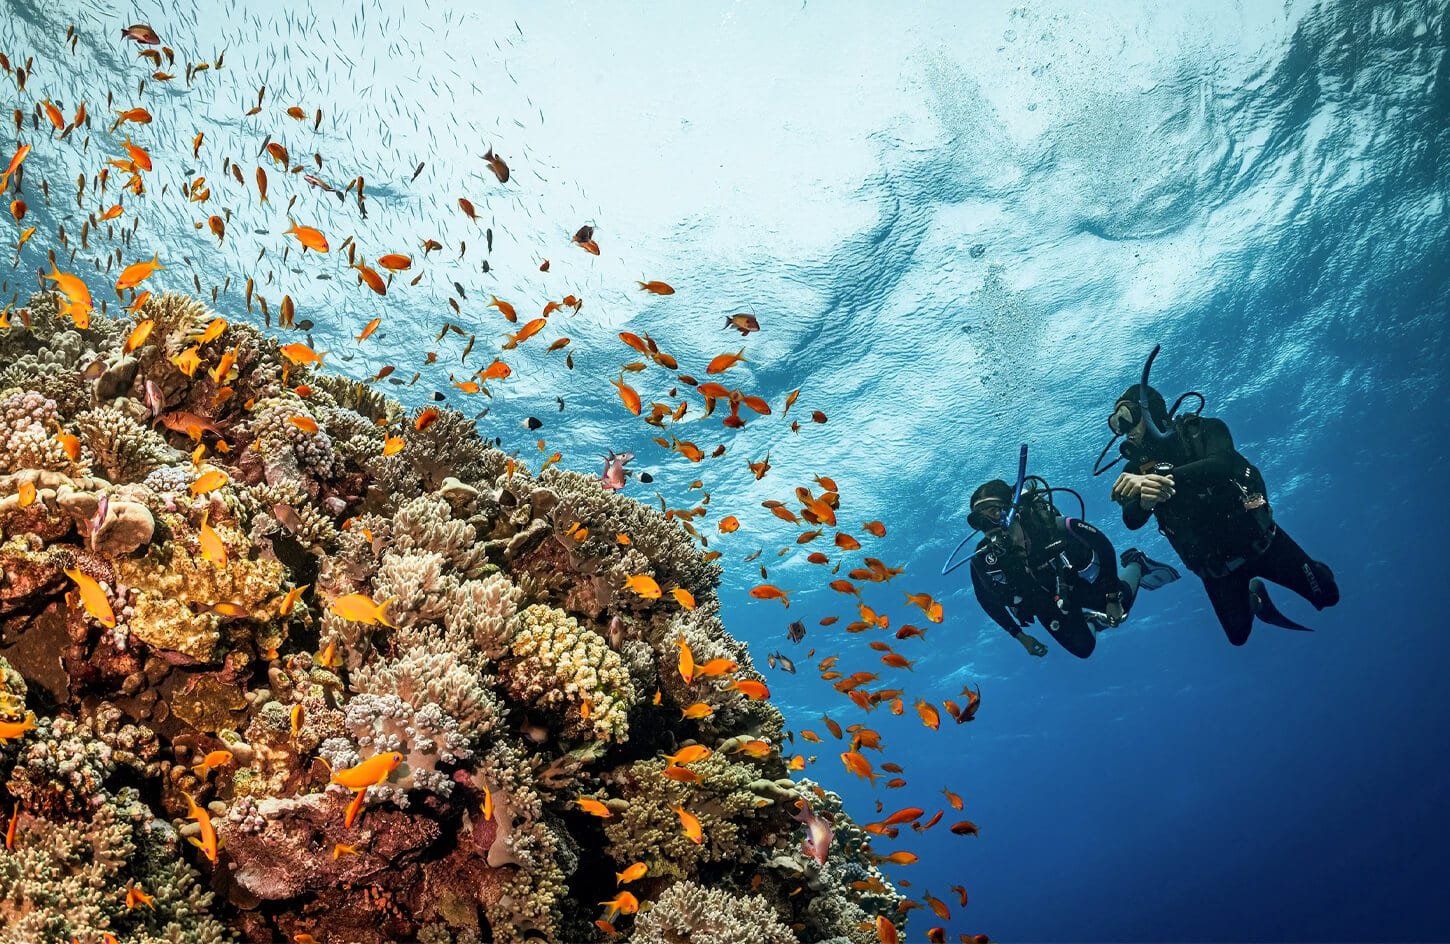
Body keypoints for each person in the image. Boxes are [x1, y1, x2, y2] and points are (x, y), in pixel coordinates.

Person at [1101, 346, 1340, 645]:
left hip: (1263, 545)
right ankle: (1256, 596)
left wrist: (1162, 478)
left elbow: (1223, 463)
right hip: (1217, 571)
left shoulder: (1202, 430)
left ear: (1151, 411)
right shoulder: (1135, 468)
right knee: (1238, 637)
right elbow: (1131, 520)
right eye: (1115, 424)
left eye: (1126, 417)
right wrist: (1146, 500)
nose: (1123, 431)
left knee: (1329, 596)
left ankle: (1313, 570)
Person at [966, 478, 1179, 659]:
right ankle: (1092, 621)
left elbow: (1103, 545)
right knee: (1083, 650)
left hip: (1077, 583)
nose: (987, 523)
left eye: (993, 512)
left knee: (1122, 607)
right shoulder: (983, 559)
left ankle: (1137, 563)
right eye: (978, 519)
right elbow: (986, 600)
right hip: (1044, 602)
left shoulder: (1052, 526)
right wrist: (1021, 637)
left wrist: (1112, 598)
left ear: (1011, 509)